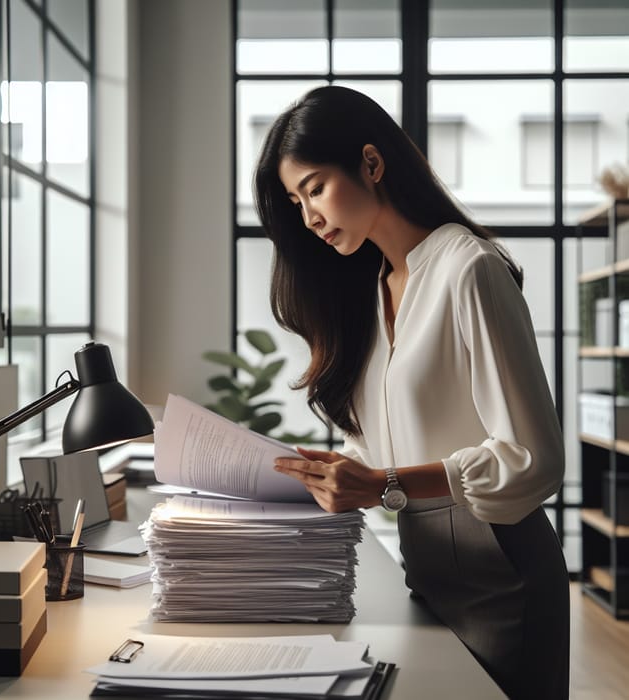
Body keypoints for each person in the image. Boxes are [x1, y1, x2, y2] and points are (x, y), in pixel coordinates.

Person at [254, 85, 569, 700]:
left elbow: (534, 459)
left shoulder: (469, 269)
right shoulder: (373, 290)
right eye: (296, 201)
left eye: (315, 188)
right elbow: (380, 448)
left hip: (504, 576)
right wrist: (335, 474)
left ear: (371, 164)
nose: (309, 217)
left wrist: (383, 484)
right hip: (424, 572)